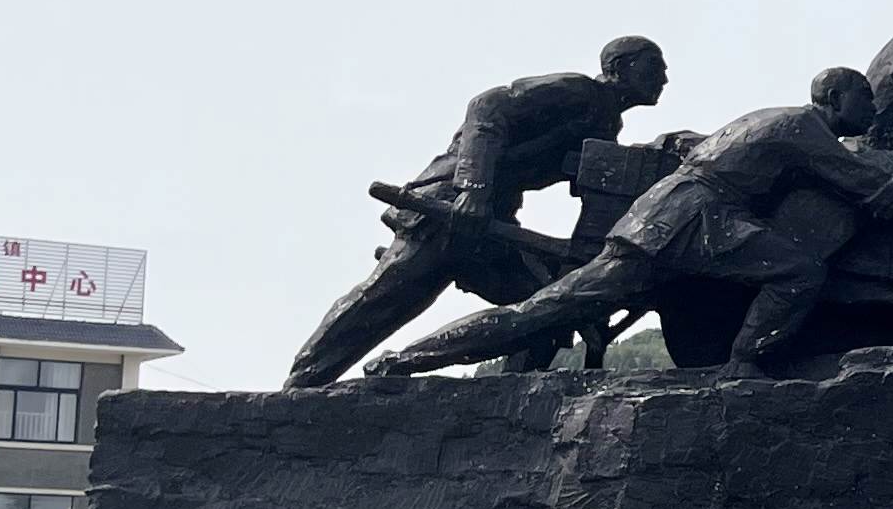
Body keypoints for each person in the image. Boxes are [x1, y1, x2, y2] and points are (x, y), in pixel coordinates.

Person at [365, 67, 893, 378]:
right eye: (864, 100)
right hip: (695, 217)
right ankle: (742, 366)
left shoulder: (769, 120)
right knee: (799, 272)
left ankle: (405, 360)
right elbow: (865, 183)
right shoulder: (803, 126)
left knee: (547, 308)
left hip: (669, 215)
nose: (872, 111)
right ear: (835, 96)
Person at [285, 39, 669, 384]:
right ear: (619, 67)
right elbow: (487, 106)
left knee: (549, 310)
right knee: (384, 299)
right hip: (450, 204)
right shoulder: (578, 91)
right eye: (654, 66)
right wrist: (474, 189)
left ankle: (516, 398)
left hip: (493, 224)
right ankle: (302, 383)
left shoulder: (605, 125)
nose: (664, 78)